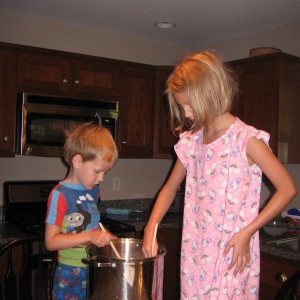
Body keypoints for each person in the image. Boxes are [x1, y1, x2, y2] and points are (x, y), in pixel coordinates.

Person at [142, 51, 297, 299]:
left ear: (209, 94)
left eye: (189, 104)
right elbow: (170, 188)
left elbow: (287, 188)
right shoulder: (193, 142)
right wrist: (151, 227)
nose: (187, 113)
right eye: (182, 106)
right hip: (195, 254)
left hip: (232, 252)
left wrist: (248, 232)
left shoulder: (246, 140)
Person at [45, 123, 118, 300]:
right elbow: (51, 242)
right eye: (97, 171)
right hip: (70, 272)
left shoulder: (93, 191)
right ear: (77, 161)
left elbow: (93, 226)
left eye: (105, 173)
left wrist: (108, 237)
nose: (101, 179)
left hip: (95, 268)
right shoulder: (59, 195)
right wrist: (90, 236)